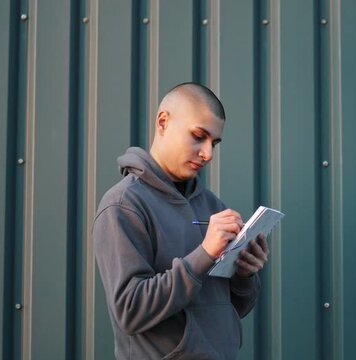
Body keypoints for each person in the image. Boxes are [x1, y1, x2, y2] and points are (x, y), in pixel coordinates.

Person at [93, 82, 269, 359]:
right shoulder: (124, 204)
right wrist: (204, 254)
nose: (208, 153)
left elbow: (232, 309)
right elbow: (130, 310)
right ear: (163, 122)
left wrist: (244, 275)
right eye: (199, 136)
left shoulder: (212, 206)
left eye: (215, 143)